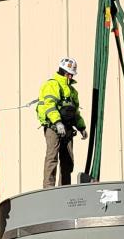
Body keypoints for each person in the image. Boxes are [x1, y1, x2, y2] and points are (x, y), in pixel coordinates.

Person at [37, 56, 87, 188]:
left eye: (71, 75)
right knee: (52, 157)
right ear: (63, 72)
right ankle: (49, 188)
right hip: (53, 127)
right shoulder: (52, 84)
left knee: (68, 161)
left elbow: (74, 111)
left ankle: (64, 188)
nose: (70, 77)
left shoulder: (72, 91)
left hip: (68, 128)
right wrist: (58, 122)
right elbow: (50, 105)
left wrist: (81, 127)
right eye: (69, 74)